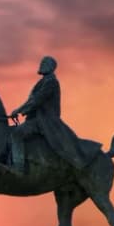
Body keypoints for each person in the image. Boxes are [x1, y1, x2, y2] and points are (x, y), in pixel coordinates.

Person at [8, 57, 101, 194]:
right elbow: (33, 101)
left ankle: (18, 167)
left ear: (51, 67)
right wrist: (23, 111)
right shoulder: (44, 81)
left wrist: (19, 110)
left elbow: (37, 100)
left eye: (44, 63)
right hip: (37, 119)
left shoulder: (51, 82)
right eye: (41, 63)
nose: (41, 65)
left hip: (45, 121)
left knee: (16, 134)